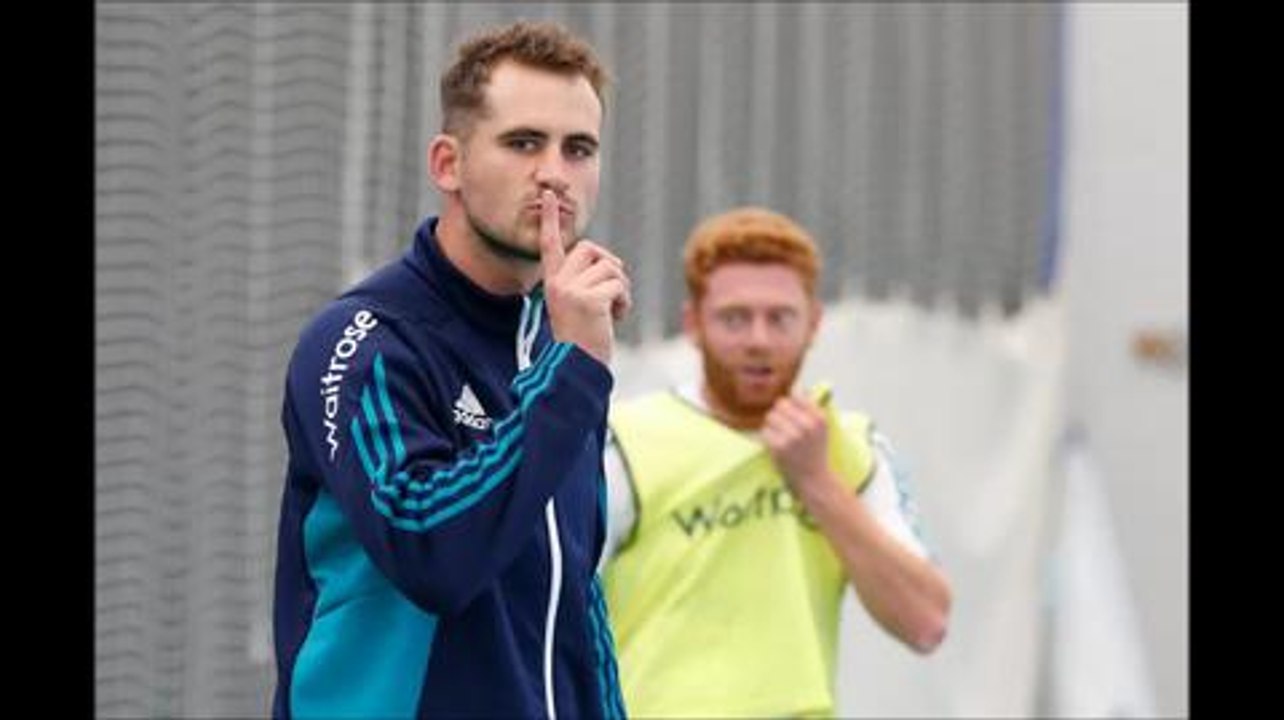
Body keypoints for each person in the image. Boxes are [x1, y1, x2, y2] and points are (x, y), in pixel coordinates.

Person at [271, 21, 630, 719]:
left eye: (578, 148)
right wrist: (571, 374)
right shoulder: (364, 339)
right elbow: (429, 548)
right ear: (448, 163)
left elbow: (576, 606)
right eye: (524, 142)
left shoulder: (553, 345)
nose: (555, 172)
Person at [600, 207, 952, 718]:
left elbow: (926, 621)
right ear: (693, 324)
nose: (758, 340)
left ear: (814, 323)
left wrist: (818, 483)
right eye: (734, 318)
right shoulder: (625, 441)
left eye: (780, 318)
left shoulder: (850, 446)